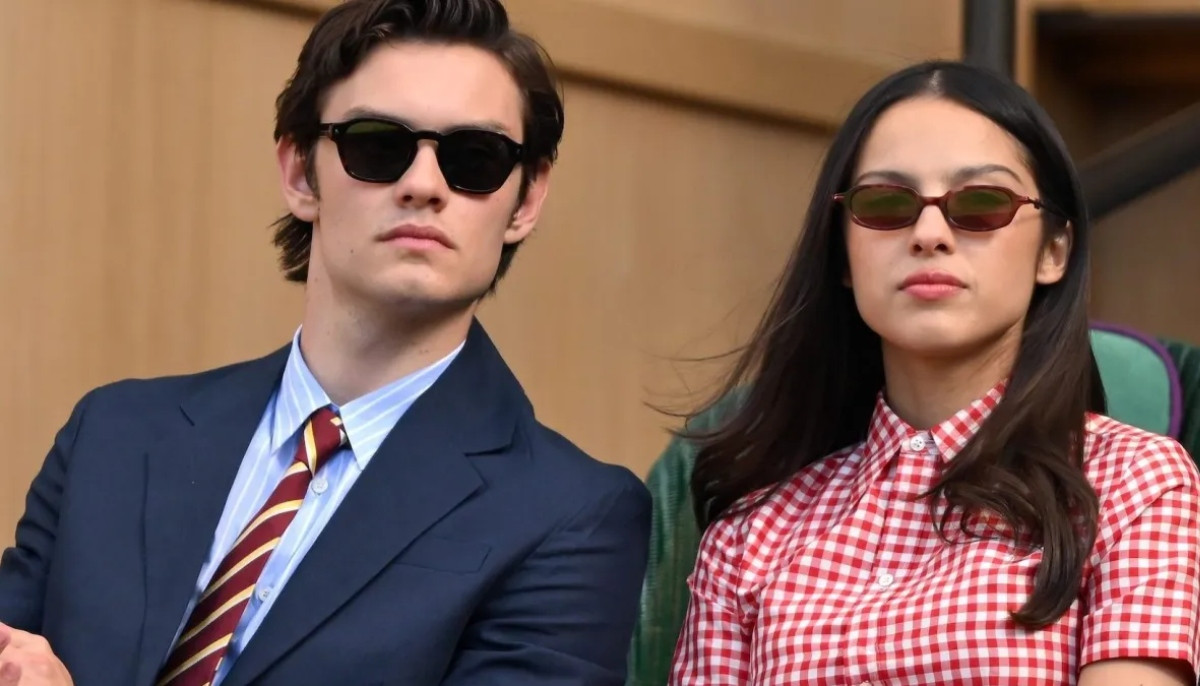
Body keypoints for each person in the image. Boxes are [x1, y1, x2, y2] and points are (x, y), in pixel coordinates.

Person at [0, 1, 651, 684]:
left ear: (527, 199)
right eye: (378, 145)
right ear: (299, 173)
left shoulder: (573, 516)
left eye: (474, 158)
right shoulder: (113, 435)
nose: (423, 185)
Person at [669, 60, 1200, 686]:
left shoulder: (1136, 486)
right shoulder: (749, 535)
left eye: (981, 203)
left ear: (1054, 250)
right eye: (885, 204)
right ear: (843, 256)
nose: (928, 234)